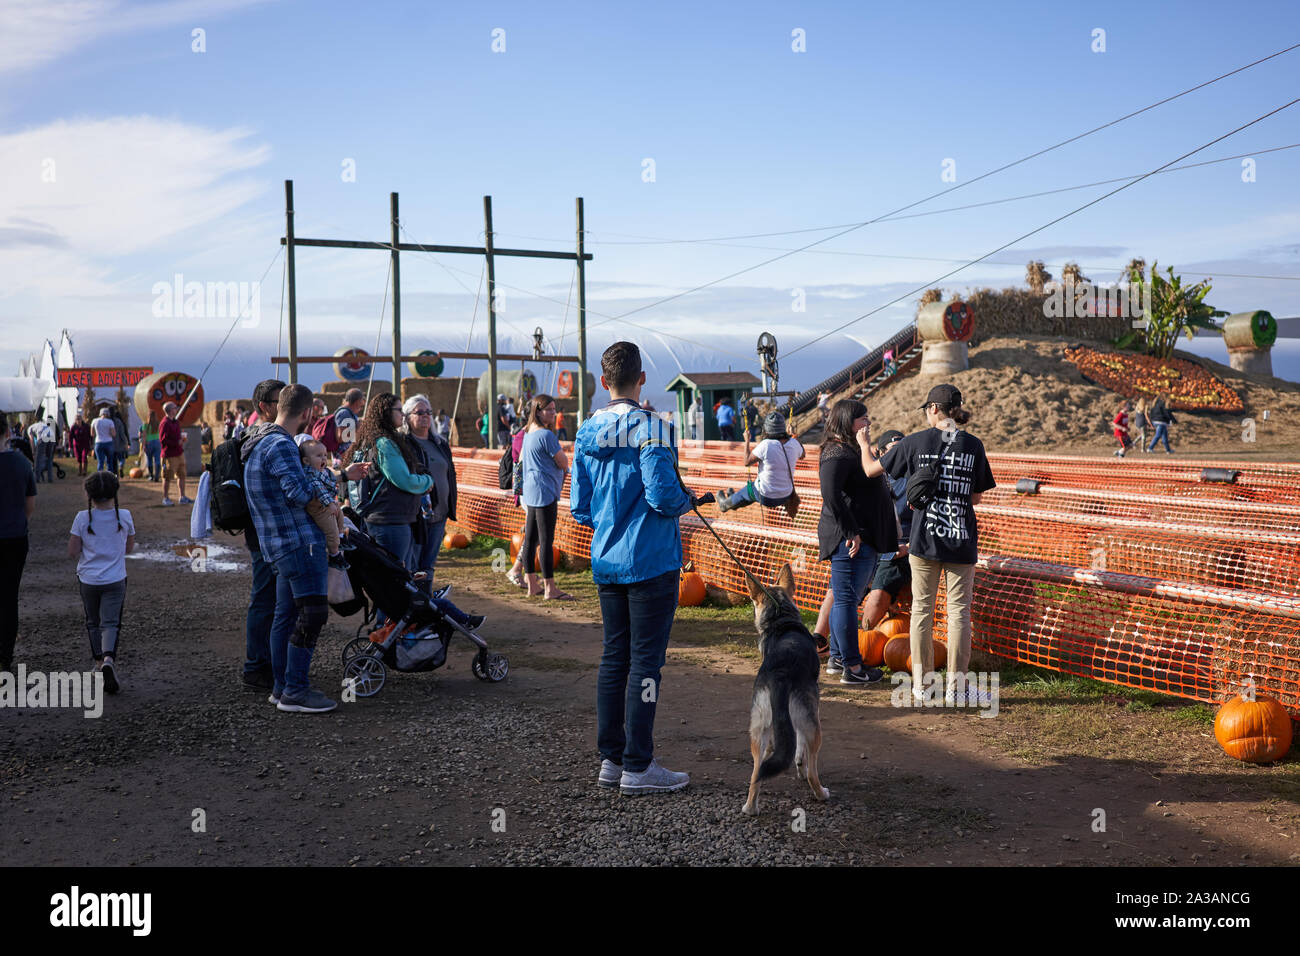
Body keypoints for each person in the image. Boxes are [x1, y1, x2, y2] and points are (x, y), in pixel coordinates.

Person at [571, 341, 696, 795]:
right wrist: (686, 501)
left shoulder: (585, 433)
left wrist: (610, 515)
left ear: (603, 382)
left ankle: (612, 759)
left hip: (606, 559)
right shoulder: (653, 429)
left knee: (613, 659)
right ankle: (639, 765)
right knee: (646, 665)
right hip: (650, 561)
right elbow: (663, 495)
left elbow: (580, 509)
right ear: (641, 378)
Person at [869, 384, 996, 705]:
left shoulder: (915, 441)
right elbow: (977, 496)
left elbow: (872, 470)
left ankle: (920, 686)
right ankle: (958, 687)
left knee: (922, 611)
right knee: (959, 613)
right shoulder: (973, 445)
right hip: (961, 538)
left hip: (924, 539)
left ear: (933, 409)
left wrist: (861, 442)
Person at [244, 383, 352, 713]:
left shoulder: (257, 440)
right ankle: (295, 689)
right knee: (313, 614)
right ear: (307, 413)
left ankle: (282, 687)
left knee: (286, 615)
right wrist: (330, 503)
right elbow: (299, 492)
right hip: (298, 542)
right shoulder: (279, 445)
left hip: (278, 544)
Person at [818, 399, 896, 685]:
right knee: (847, 601)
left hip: (861, 538)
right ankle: (852, 667)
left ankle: (840, 658)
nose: (868, 423)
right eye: (863, 419)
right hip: (849, 540)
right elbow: (831, 496)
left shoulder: (850, 450)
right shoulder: (836, 452)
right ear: (848, 421)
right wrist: (851, 531)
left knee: (846, 599)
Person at [68, 471, 135, 694]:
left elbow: (73, 551)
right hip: (116, 578)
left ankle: (98, 663)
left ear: (89, 494)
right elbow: (128, 548)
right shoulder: (124, 516)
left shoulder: (82, 518)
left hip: (89, 579)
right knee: (111, 623)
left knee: (93, 621)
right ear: (115, 493)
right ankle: (108, 659)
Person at [237, 379, 285, 690]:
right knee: (266, 600)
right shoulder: (264, 439)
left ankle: (266, 663)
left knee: (269, 600)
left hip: (264, 531)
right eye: (280, 401)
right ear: (264, 408)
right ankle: (258, 666)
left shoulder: (254, 437)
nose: (287, 406)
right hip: (266, 533)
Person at [506, 394, 572, 600]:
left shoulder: (528, 434)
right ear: (538, 411)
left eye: (554, 409)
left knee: (531, 538)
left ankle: (532, 585)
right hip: (546, 492)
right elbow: (562, 462)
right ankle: (550, 588)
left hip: (531, 491)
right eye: (549, 409)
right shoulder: (546, 436)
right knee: (545, 541)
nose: (553, 413)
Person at [402, 394, 458, 590]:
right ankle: (413, 604)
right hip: (416, 514)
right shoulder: (404, 444)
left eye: (428, 412)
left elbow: (450, 473)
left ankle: (426, 602)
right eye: (419, 412)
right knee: (414, 563)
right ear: (407, 417)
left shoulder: (440, 443)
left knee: (429, 563)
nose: (425, 416)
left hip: (440, 513)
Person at [861, 430, 911, 629]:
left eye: (903, 450)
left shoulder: (914, 479)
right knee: (840, 592)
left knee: (878, 594)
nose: (899, 456)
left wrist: (908, 546)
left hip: (901, 549)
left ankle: (863, 638)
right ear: (881, 453)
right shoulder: (873, 479)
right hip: (873, 546)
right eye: (893, 451)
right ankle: (824, 640)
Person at [0, 414, 36, 673]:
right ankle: (5, 656)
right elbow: (29, 507)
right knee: (9, 596)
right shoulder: (22, 464)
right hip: (14, 538)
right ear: (8, 433)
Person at [716, 412, 804, 512]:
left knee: (750, 490)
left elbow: (747, 462)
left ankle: (725, 504)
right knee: (749, 493)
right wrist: (793, 435)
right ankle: (733, 500)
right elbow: (802, 455)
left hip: (766, 496)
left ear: (767, 429)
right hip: (786, 495)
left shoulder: (766, 445)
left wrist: (747, 441)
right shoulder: (794, 443)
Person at [298, 439, 345, 563]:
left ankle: (341, 537)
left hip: (326, 504)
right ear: (306, 461)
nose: (324, 458)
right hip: (319, 509)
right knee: (331, 530)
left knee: (340, 514)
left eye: (325, 455)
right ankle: (334, 554)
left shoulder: (322, 471)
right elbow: (320, 490)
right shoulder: (310, 474)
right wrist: (329, 503)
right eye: (319, 456)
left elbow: (330, 481)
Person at [159, 402, 191, 506]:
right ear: (170, 410)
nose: (176, 409)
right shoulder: (164, 423)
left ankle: (182, 497)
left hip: (179, 453)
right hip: (169, 455)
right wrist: (175, 443)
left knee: (182, 475)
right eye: (174, 408)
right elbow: (163, 441)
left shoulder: (175, 422)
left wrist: (181, 439)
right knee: (167, 477)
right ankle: (165, 498)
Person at [91, 407, 116, 473]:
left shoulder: (94, 421)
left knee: (100, 462)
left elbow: (92, 434)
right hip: (108, 442)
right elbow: (113, 434)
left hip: (98, 442)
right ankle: (110, 476)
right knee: (109, 462)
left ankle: (100, 476)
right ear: (107, 414)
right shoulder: (110, 422)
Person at [33, 417, 56, 484]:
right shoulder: (43, 424)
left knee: (38, 458)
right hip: (51, 435)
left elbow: (32, 440)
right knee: (49, 458)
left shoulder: (30, 429)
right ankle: (50, 478)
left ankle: (37, 478)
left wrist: (33, 451)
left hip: (43, 437)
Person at [142, 410, 162, 482]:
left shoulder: (145, 425)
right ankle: (157, 476)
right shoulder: (158, 424)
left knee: (149, 459)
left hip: (149, 442)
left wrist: (143, 445)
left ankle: (151, 475)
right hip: (157, 442)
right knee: (157, 460)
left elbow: (144, 436)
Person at [110, 407, 129, 477]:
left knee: (113, 460)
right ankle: (121, 466)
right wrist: (125, 442)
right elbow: (122, 433)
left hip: (111, 444)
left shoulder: (108, 421)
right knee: (121, 458)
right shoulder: (119, 422)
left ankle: (115, 473)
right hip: (119, 444)